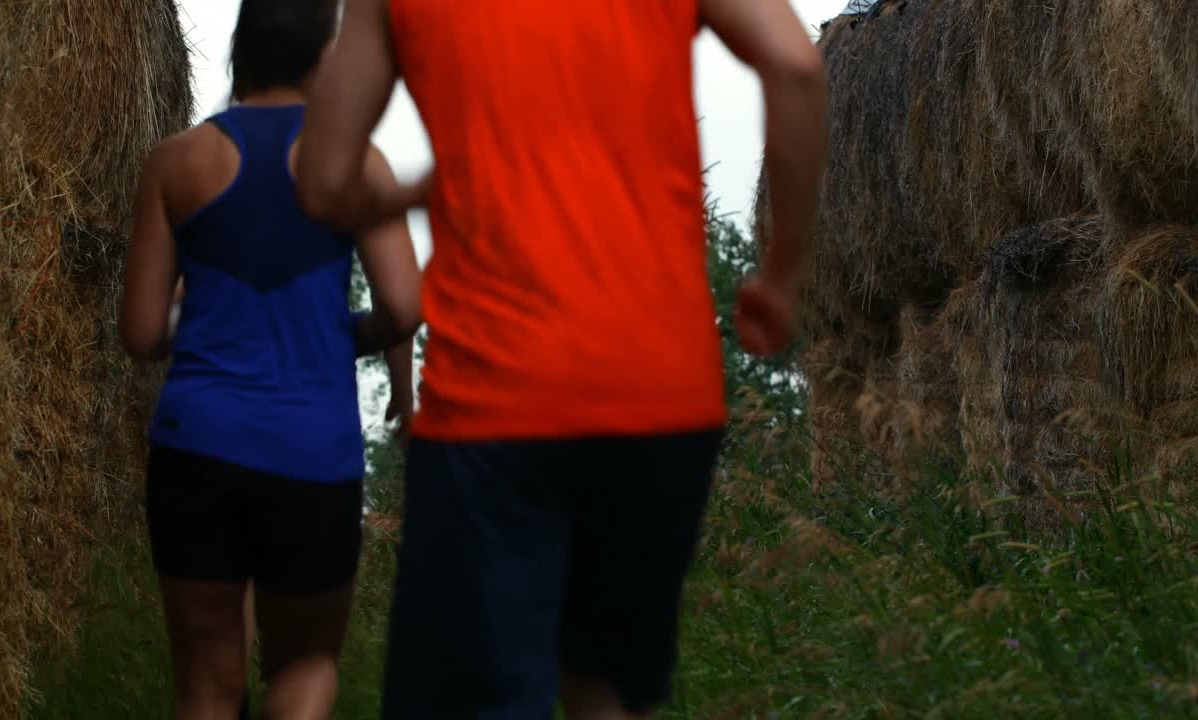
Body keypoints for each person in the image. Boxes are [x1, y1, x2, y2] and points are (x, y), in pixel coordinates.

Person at [298, 0, 826, 717]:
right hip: (658, 393)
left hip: (491, 402)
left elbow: (324, 179)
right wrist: (782, 273)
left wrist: (412, 190)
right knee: (606, 695)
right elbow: (795, 63)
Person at [119, 0, 421, 717]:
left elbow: (138, 333)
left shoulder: (175, 162)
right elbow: (405, 307)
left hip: (198, 449)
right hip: (311, 453)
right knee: (306, 668)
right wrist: (337, 333)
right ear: (325, 60)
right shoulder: (352, 161)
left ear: (240, 49)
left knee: (206, 684)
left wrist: (195, 328)